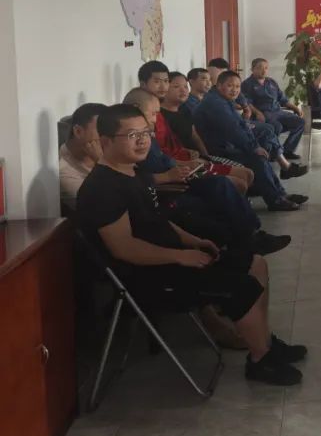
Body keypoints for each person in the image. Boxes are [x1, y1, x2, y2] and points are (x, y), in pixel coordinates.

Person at [75, 104, 307, 386]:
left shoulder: (132, 173)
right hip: (148, 277)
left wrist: (192, 241)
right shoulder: (102, 189)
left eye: (145, 133)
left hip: (170, 260)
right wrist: (180, 255)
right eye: (132, 135)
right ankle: (261, 360)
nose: (143, 140)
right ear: (106, 141)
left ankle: (265, 342)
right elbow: (124, 248)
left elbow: (157, 220)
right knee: (241, 285)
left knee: (256, 263)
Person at [123, 88, 292, 254]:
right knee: (221, 184)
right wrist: (166, 176)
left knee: (226, 181)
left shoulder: (145, 134)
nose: (155, 119)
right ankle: (248, 238)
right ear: (136, 109)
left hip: (180, 174)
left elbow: (164, 160)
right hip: (168, 187)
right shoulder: (128, 141)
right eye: (153, 113)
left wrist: (185, 164)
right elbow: (132, 178)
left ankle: (251, 234)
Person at [193, 71, 305, 211]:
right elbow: (233, 130)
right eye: (230, 86)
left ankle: (280, 194)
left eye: (237, 86)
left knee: (262, 150)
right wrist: (253, 147)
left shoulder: (223, 100)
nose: (235, 90)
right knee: (257, 158)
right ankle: (275, 200)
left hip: (227, 145)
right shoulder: (216, 104)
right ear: (219, 85)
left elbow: (241, 125)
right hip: (217, 151)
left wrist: (255, 145)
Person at [242, 59, 305, 160]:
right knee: (277, 126)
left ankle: (287, 151)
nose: (264, 70)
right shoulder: (247, 84)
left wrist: (295, 107)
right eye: (260, 68)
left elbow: (283, 99)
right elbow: (246, 102)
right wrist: (257, 113)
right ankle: (271, 152)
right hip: (263, 113)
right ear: (252, 69)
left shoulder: (271, 82)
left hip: (278, 111)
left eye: (266, 68)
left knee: (300, 122)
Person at [59, 102, 108, 210]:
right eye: (101, 131)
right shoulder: (64, 171)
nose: (108, 137)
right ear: (78, 131)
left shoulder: (110, 150)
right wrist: (101, 162)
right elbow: (102, 208)